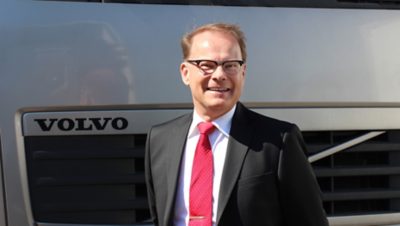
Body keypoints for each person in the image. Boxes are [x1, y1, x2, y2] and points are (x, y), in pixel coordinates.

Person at [145, 23, 329, 226]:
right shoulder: (160, 140)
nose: (219, 75)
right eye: (206, 65)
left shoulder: (279, 141)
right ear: (185, 73)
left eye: (230, 65)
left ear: (243, 72)